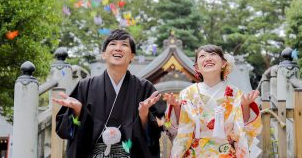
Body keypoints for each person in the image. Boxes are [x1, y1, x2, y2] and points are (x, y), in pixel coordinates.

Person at [53, 29, 166, 158]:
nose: (118, 48)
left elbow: (158, 129)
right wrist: (78, 112)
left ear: (132, 56)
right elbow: (64, 131)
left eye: (124, 45)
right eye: (113, 44)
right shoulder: (85, 87)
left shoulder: (145, 88)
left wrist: (144, 115)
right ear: (103, 54)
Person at [163, 44, 262, 157]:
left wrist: (245, 105)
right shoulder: (187, 93)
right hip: (195, 152)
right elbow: (177, 127)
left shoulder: (235, 94)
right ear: (197, 67)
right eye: (202, 56)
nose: (208, 58)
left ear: (224, 63)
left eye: (213, 54)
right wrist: (176, 106)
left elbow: (243, 127)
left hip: (226, 151)